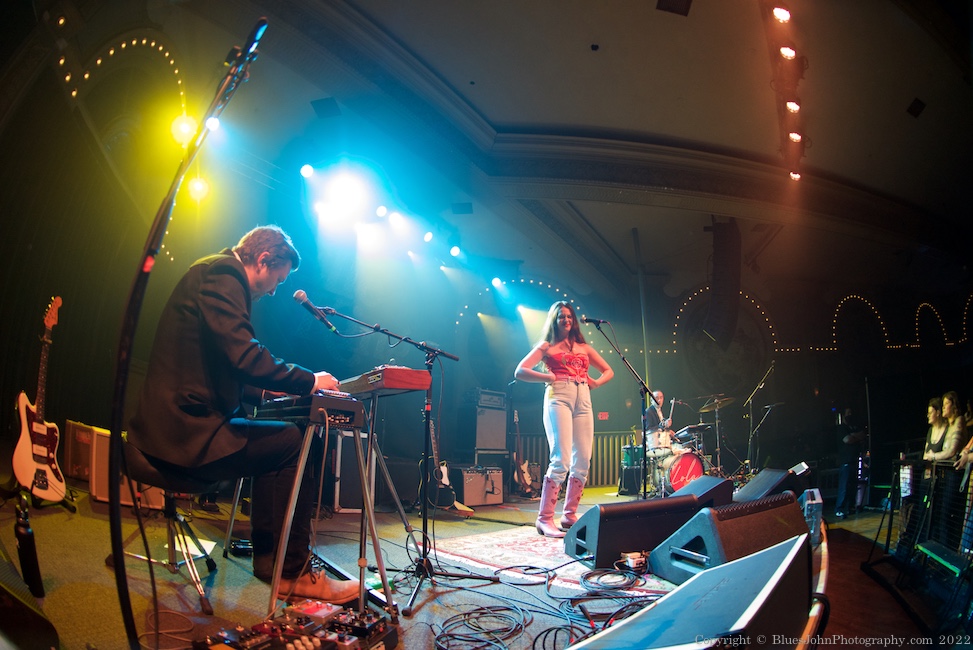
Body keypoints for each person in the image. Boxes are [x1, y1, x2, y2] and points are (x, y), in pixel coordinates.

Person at [127, 225, 359, 604]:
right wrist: (309, 380)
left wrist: (270, 390)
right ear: (263, 259)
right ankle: (292, 573)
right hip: (183, 435)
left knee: (280, 437)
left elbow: (219, 364)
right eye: (277, 280)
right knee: (292, 442)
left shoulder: (214, 272)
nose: (273, 291)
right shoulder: (223, 273)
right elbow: (243, 355)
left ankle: (273, 564)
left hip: (178, 426)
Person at [514, 301, 614, 537]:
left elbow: (609, 370)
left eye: (569, 316)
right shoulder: (547, 346)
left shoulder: (584, 348)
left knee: (583, 460)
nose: (566, 320)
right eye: (562, 317)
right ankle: (544, 518)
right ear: (555, 320)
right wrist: (547, 377)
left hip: (583, 398)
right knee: (561, 459)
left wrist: (596, 383)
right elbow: (520, 371)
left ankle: (569, 515)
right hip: (559, 396)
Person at [833, 406, 865, 519]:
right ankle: (839, 509)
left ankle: (850, 507)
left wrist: (853, 437)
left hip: (854, 461)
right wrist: (855, 437)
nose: (850, 415)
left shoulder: (854, 427)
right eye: (848, 413)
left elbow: (862, 435)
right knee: (844, 487)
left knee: (853, 486)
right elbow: (847, 439)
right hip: (845, 462)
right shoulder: (841, 428)